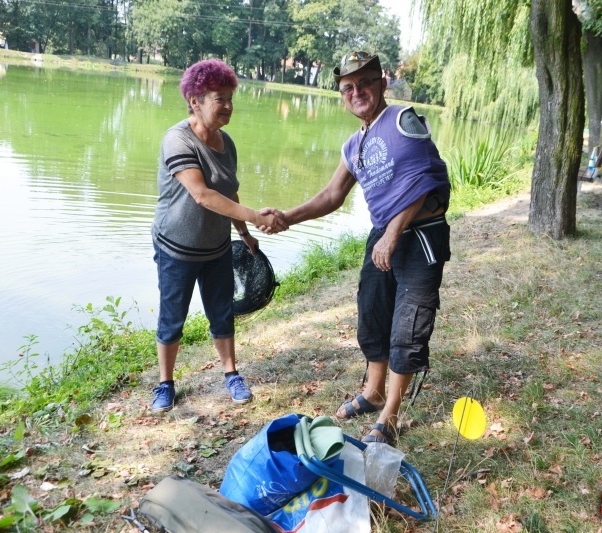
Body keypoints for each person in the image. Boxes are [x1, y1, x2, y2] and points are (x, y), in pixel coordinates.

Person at [261, 51, 451, 446]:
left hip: (419, 235)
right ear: (342, 96)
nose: (357, 92)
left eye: (365, 83)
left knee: (408, 327)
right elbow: (331, 196)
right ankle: (374, 390)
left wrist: (394, 232)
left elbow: (424, 181)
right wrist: (286, 217)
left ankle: (390, 415)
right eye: (348, 88)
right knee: (373, 315)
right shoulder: (354, 144)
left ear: (382, 83)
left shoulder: (403, 120)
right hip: (384, 236)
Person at [150, 58, 287, 413]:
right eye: (219, 98)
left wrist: (245, 232)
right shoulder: (177, 139)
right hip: (176, 249)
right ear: (195, 100)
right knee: (172, 317)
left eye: (229, 98)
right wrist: (257, 217)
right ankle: (165, 383)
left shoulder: (227, 143)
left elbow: (228, 192)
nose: (227, 106)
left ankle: (231, 374)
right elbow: (202, 194)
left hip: (216, 248)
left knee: (222, 313)